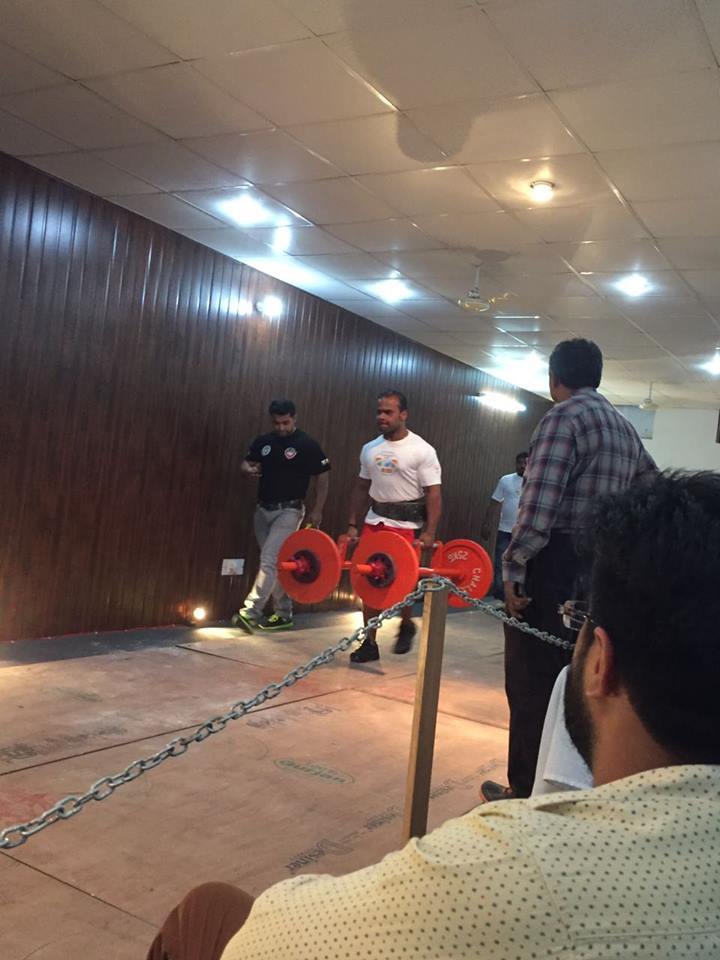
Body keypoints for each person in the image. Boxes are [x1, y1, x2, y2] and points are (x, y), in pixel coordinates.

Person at [146, 471, 720, 960]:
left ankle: (394, 624)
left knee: (209, 910)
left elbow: (268, 942)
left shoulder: (501, 872)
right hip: (380, 540)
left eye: (578, 621)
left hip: (402, 541)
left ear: (600, 662)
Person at [482, 338, 657, 803]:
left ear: (554, 377)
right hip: (600, 569)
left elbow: (538, 504)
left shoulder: (563, 417)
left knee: (532, 684)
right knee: (582, 685)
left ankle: (525, 794)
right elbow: (652, 489)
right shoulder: (623, 428)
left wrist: (514, 565)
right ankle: (572, 792)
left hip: (553, 566)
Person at [345, 389, 441, 663]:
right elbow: (361, 487)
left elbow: (433, 493)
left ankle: (406, 622)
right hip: (375, 521)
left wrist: (430, 532)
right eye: (379, 412)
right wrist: (352, 524)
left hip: (407, 524)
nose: (382, 417)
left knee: (403, 582)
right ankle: (369, 642)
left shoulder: (422, 450)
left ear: (403, 414)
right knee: (368, 580)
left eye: (388, 412)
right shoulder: (370, 449)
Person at [234, 400, 330, 632]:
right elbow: (246, 462)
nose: (281, 428)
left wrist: (317, 509)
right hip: (262, 510)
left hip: (290, 510)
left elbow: (323, 476)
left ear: (294, 418)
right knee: (276, 563)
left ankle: (250, 612)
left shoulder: (306, 444)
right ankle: (283, 613)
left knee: (269, 560)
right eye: (276, 423)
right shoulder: (264, 441)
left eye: (286, 422)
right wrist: (246, 469)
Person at [481, 452, 528, 600]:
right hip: (505, 531)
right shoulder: (506, 480)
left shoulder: (534, 483)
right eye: (519, 463)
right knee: (501, 564)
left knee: (521, 565)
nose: (522, 466)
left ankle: (517, 596)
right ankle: (499, 596)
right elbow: (494, 502)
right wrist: (487, 523)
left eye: (526, 463)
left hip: (524, 533)